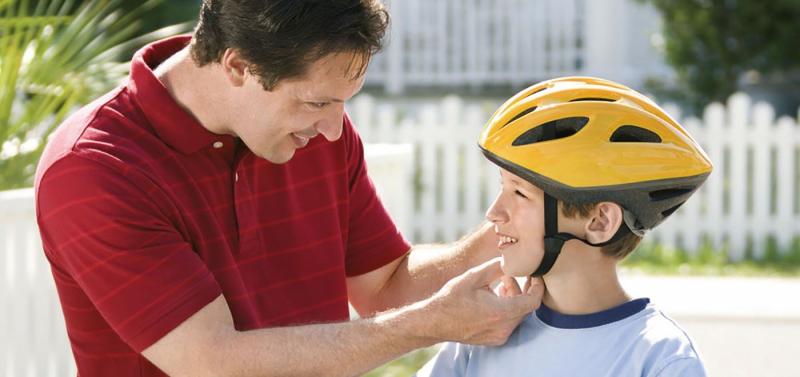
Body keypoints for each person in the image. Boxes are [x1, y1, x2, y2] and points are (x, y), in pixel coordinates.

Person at [34, 1, 542, 376]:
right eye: (317, 103)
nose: (335, 130)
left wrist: (524, 217)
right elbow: (211, 362)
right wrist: (429, 325)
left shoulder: (313, 136)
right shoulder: (95, 168)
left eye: (344, 102)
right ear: (237, 66)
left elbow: (386, 288)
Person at [416, 76, 713, 377]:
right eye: (502, 188)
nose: (494, 213)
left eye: (519, 193)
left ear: (600, 222)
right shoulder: (481, 339)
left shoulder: (661, 360)